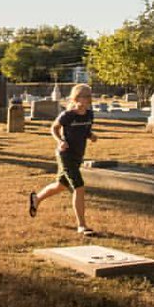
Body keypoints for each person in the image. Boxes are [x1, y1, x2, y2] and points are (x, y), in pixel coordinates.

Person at [28, 83, 98, 236]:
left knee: (61, 185)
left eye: (89, 96)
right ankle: (82, 225)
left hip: (78, 155)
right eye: (84, 96)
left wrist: (90, 135)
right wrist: (60, 141)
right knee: (79, 187)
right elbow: (54, 128)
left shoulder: (89, 114)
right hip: (65, 156)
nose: (87, 99)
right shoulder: (68, 115)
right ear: (76, 97)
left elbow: (84, 130)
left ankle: (37, 199)